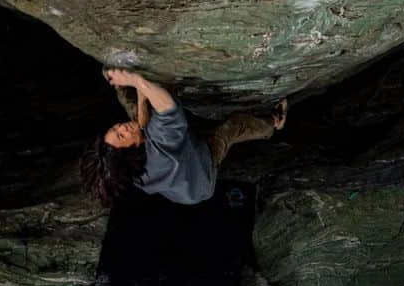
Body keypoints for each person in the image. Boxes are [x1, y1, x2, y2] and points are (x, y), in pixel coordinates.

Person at [80, 68, 287, 206]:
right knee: (232, 128)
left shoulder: (127, 170)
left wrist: (136, 89)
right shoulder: (163, 146)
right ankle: (273, 123)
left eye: (115, 129)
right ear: (132, 150)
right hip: (200, 175)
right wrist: (137, 81)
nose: (120, 127)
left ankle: (114, 78)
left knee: (129, 100)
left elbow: (143, 125)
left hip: (178, 181)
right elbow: (168, 107)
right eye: (121, 134)